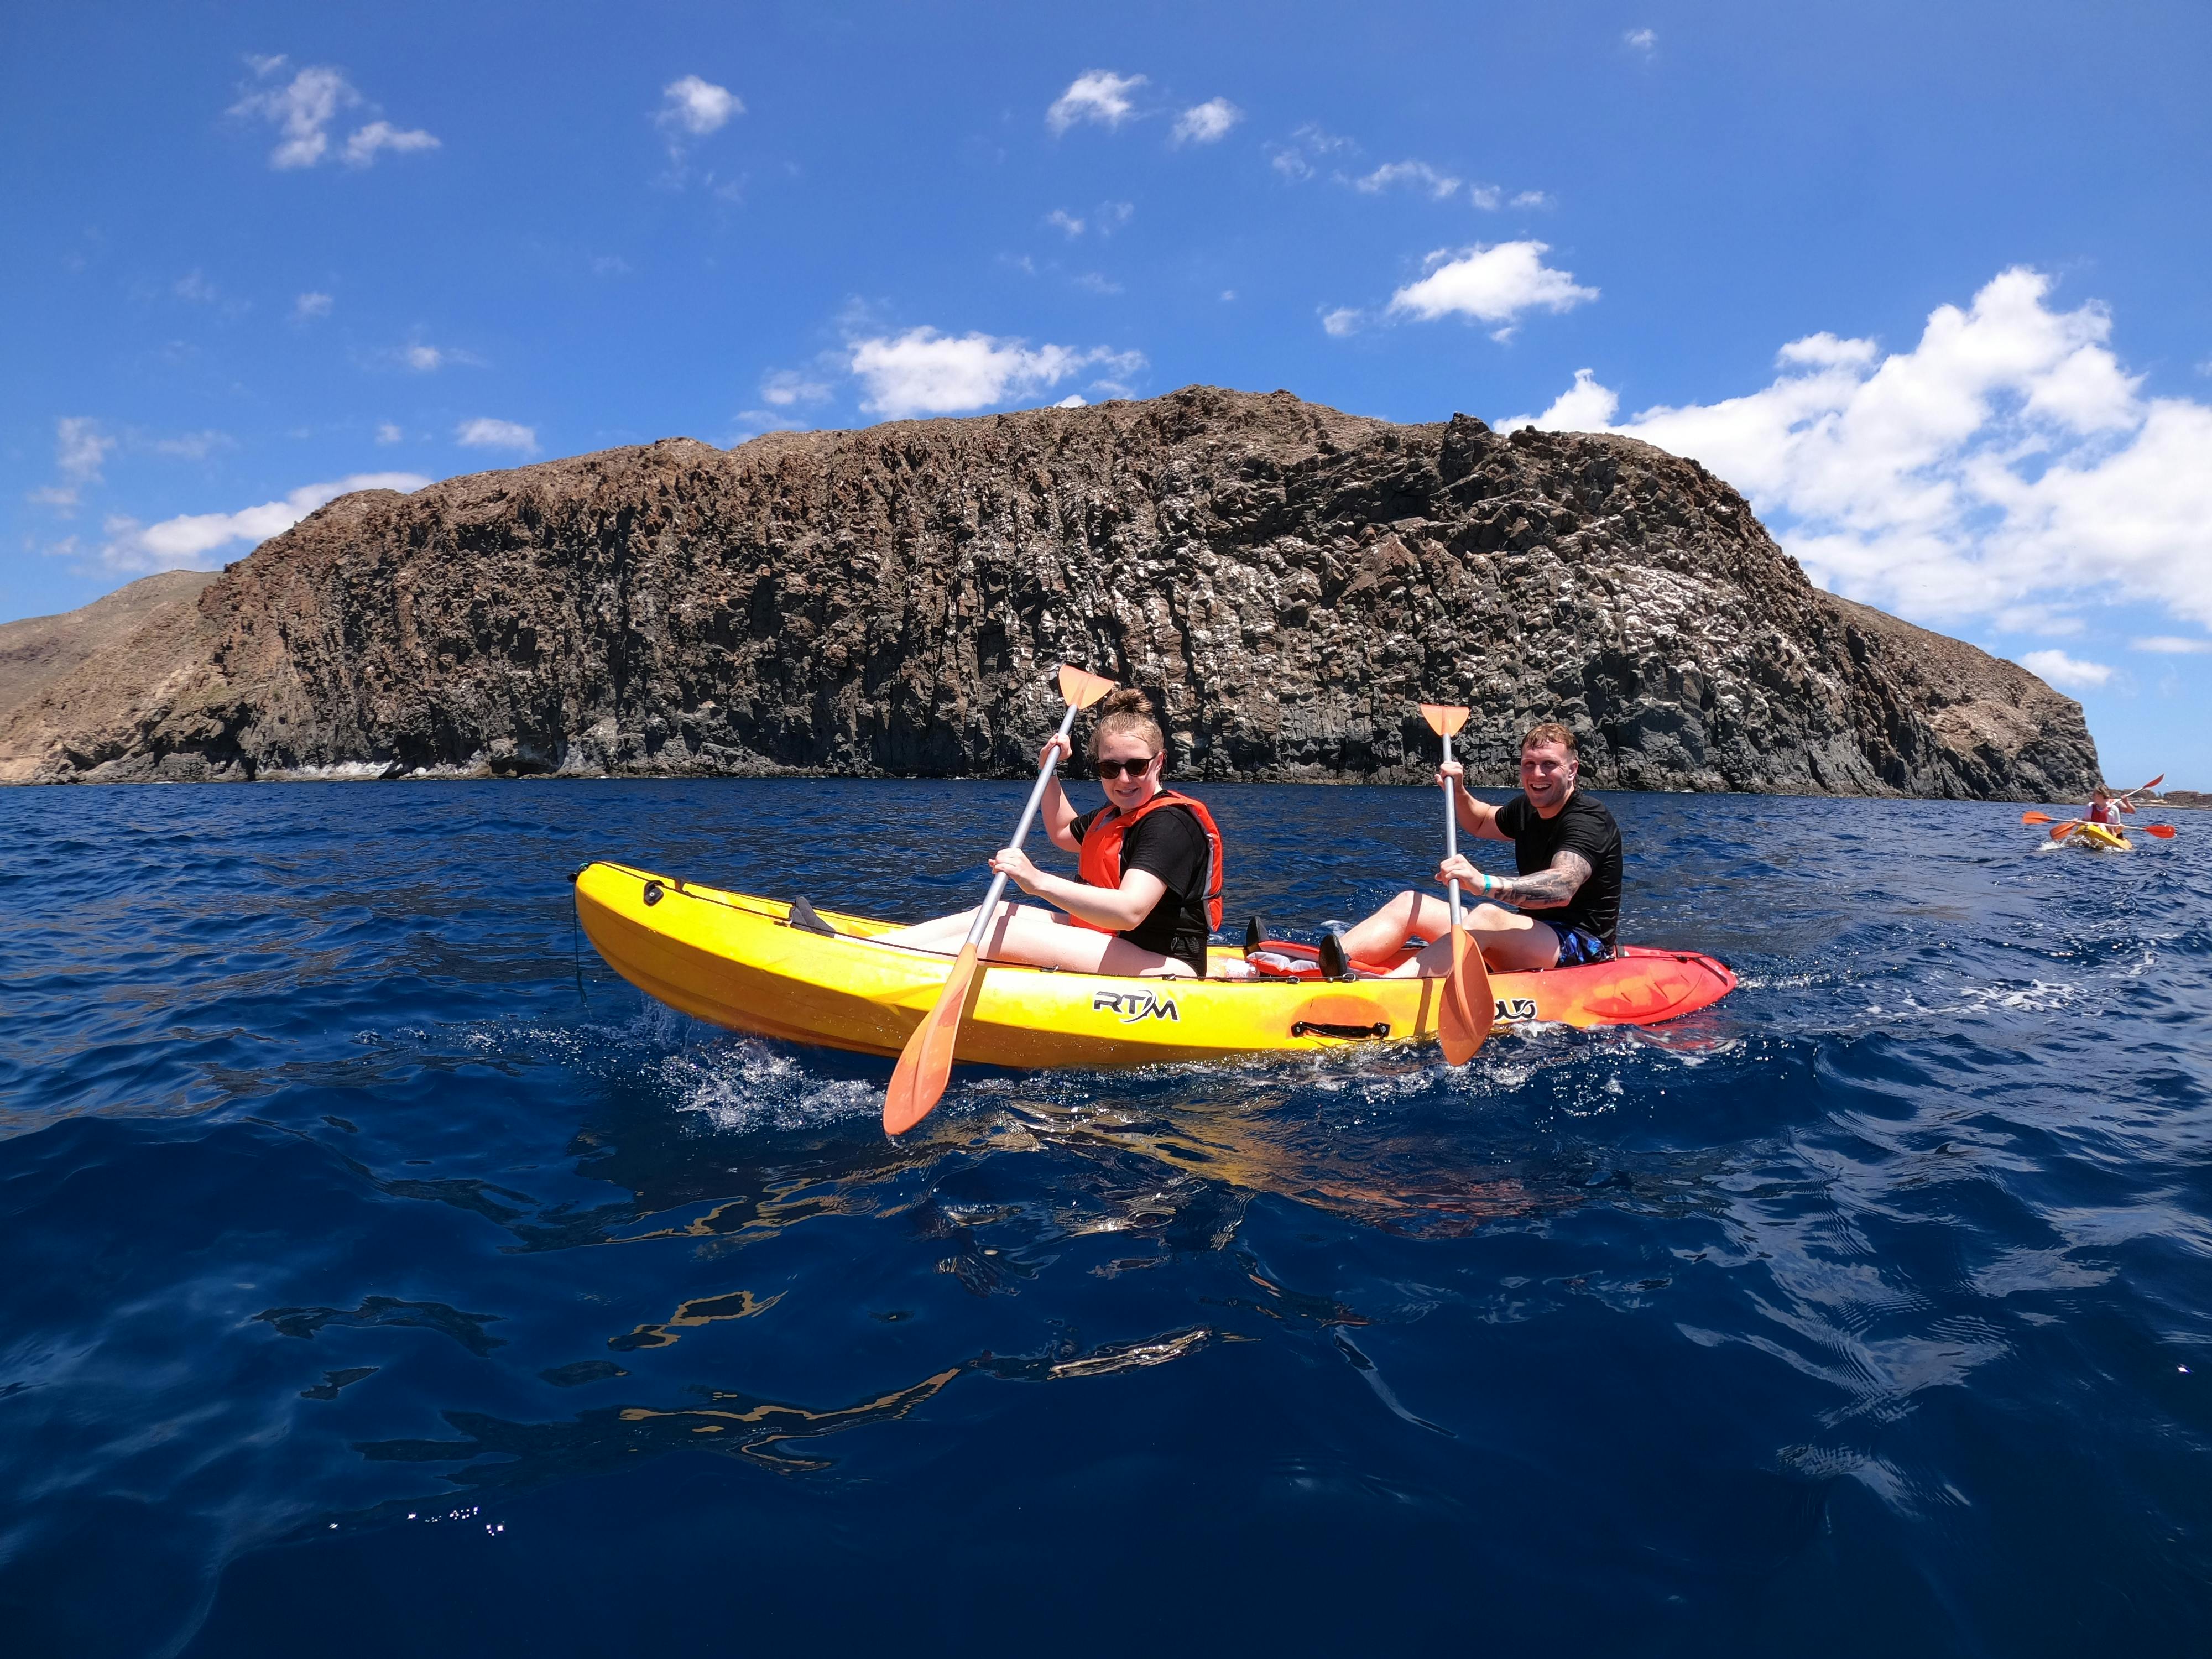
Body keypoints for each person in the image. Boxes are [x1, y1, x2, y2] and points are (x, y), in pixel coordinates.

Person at [873, 688, 1226, 979]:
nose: (1123, 779)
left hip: (1163, 963)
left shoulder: (1168, 824)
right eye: (1109, 767)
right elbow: (1061, 831)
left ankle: (879, 972)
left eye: (1136, 767)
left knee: (1003, 932)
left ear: (1159, 762)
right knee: (992, 913)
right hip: (1118, 941)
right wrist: (1050, 771)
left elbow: (1130, 911)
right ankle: (871, 950)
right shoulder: (1115, 815)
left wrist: (1036, 881)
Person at [1337, 721, 1621, 976]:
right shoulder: (1528, 808)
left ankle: (1387, 991)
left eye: (1549, 764)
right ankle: (1319, 968)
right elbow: (1482, 820)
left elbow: (1563, 887)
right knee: (1410, 903)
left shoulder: (1588, 820)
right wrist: (1458, 791)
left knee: (1487, 915)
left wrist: (1483, 883)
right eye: (1529, 764)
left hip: (1581, 947)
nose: (1537, 774)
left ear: (1572, 770)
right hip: (1533, 935)